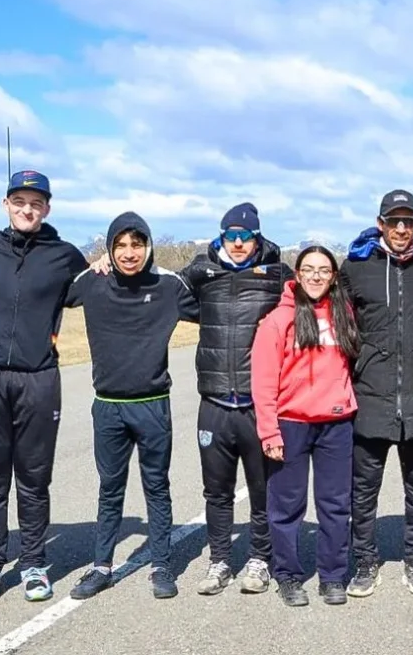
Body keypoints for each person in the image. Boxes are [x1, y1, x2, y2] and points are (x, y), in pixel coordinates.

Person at [0, 171, 91, 605]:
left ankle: (34, 562)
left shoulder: (64, 255)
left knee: (33, 478)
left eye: (35, 203)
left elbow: (101, 293)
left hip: (38, 378)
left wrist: (109, 263)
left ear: (47, 208)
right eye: (19, 201)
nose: (27, 209)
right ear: (6, 204)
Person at [64, 213, 200, 601]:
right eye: (120, 245)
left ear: (148, 246)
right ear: (109, 248)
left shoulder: (168, 285)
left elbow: (217, 310)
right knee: (110, 489)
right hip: (108, 406)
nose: (128, 252)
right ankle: (102, 567)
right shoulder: (92, 282)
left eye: (136, 244)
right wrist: (88, 266)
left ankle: (161, 565)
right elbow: (49, 292)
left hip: (152, 404)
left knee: (157, 486)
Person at [339, 190, 413, 597]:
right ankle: (365, 561)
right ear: (381, 223)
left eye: (408, 221)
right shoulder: (355, 270)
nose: (401, 228)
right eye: (394, 221)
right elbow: (338, 321)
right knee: (363, 489)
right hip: (370, 395)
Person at [180, 203, 293, 597]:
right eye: (232, 235)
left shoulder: (278, 274)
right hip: (213, 402)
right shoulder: (201, 270)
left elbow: (311, 300)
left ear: (257, 237)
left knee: (262, 489)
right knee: (217, 491)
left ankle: (260, 559)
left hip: (257, 403)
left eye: (246, 236)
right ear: (221, 236)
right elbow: (166, 295)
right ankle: (219, 561)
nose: (239, 242)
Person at [252, 246, 360, 608]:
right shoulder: (278, 320)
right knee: (286, 507)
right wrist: (269, 431)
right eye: (309, 269)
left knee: (335, 505)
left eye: (324, 270)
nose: (316, 276)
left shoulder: (344, 314)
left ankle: (332, 576)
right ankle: (288, 574)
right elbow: (263, 381)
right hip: (291, 423)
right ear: (297, 275)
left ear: (333, 277)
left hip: (336, 424)